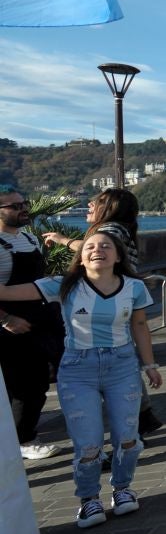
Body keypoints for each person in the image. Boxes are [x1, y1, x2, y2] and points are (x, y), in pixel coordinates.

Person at [0, 232, 162, 527]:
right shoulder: (63, 285)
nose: (97, 250)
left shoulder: (134, 287)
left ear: (117, 256)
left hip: (122, 366)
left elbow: (139, 325)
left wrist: (149, 365)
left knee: (128, 438)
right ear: (81, 256)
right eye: (90, 246)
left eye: (105, 246)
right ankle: (89, 500)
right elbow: (7, 293)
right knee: (88, 443)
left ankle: (123, 489)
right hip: (77, 369)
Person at [43, 187, 165, 434]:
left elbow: (90, 247)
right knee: (122, 356)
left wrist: (62, 240)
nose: (89, 205)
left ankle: (137, 418)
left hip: (109, 300)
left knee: (116, 359)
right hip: (118, 300)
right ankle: (142, 415)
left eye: (96, 202)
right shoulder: (122, 228)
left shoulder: (110, 230)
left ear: (110, 208)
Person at [0, 186, 61, 461]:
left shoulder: (29, 239)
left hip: (38, 320)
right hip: (10, 326)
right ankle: (22, 441)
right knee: (20, 386)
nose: (23, 208)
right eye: (13, 206)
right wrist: (6, 320)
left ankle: (23, 436)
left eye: (23, 203)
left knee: (38, 381)